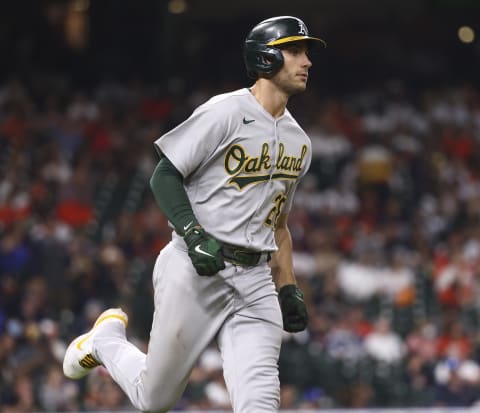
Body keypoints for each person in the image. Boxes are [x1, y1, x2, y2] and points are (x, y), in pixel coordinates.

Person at [63, 15, 326, 412]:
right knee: (155, 400)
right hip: (196, 267)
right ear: (266, 57)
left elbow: (279, 226)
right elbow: (164, 176)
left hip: (255, 282)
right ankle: (105, 342)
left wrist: (287, 285)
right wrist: (192, 233)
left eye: (306, 52)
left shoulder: (299, 142)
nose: (306, 61)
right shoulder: (225, 112)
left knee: (260, 404)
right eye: (294, 51)